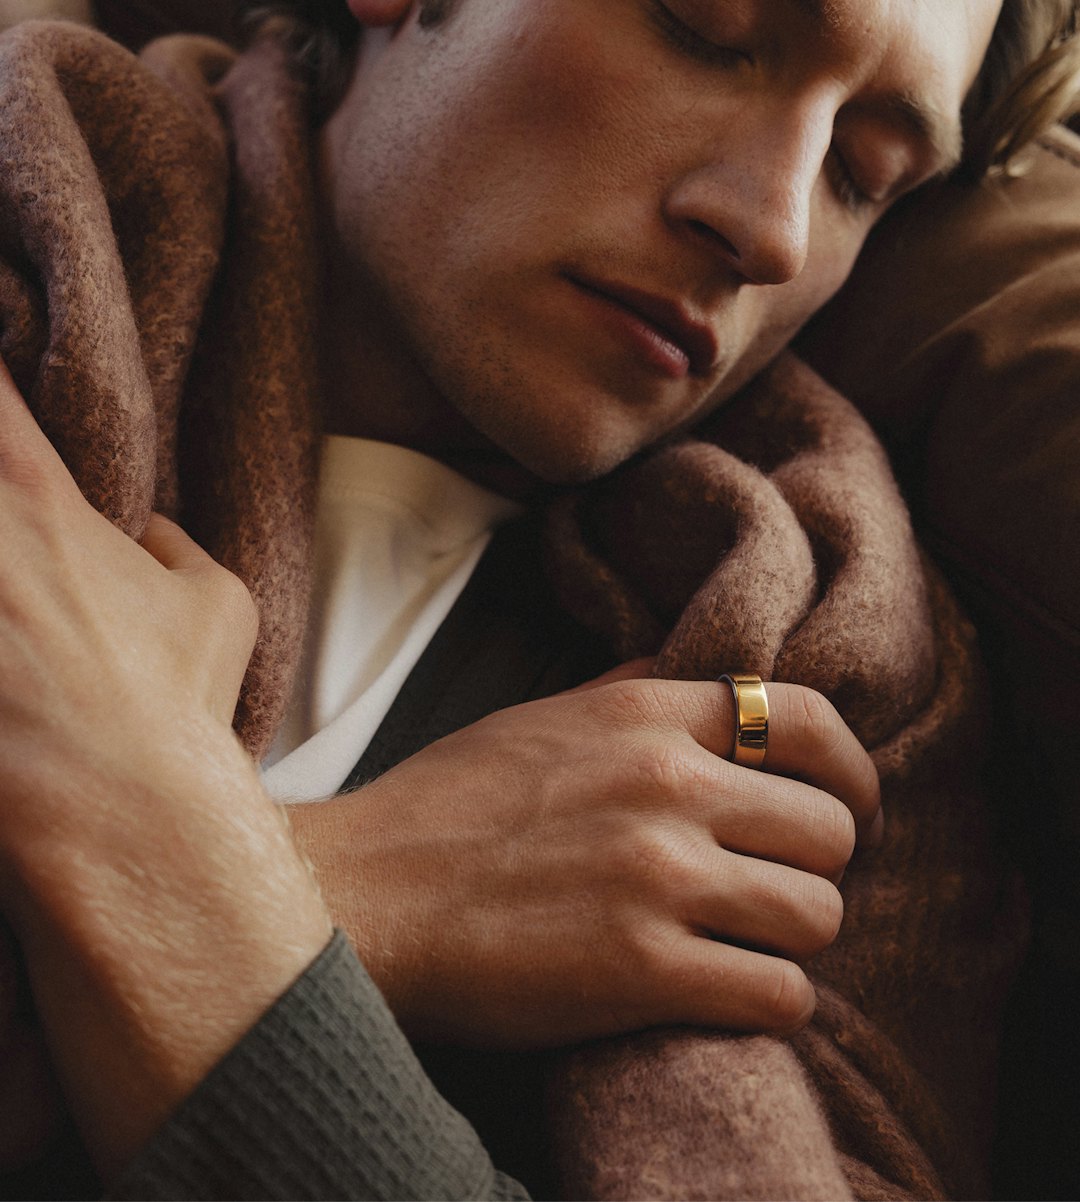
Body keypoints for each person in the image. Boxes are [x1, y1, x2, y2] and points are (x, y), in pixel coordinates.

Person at [0, 0, 1076, 1197]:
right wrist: (349, 889)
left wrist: (264, 882)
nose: (772, 225)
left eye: (864, 175)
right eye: (705, 31)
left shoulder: (845, 685)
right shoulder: (29, 227)